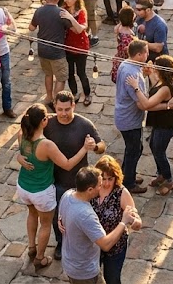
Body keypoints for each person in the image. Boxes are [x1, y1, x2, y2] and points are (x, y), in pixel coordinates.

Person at [18, 104, 96, 271]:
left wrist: (18, 157)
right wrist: (84, 149)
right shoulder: (46, 145)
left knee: (32, 214)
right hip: (41, 190)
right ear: (44, 121)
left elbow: (21, 152)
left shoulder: (22, 134)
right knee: (46, 224)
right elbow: (67, 165)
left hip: (24, 186)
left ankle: (32, 247)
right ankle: (40, 258)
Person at [39, 90, 106, 261]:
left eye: (67, 109)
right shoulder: (49, 123)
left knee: (81, 217)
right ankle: (61, 243)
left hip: (79, 183)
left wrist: (94, 147)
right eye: (60, 109)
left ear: (73, 106)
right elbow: (28, 132)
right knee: (57, 218)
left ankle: (82, 245)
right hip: (54, 180)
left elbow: (102, 146)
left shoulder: (84, 124)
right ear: (54, 106)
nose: (63, 113)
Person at [59, 166, 139, 284]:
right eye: (99, 185)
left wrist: (60, 220)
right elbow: (105, 245)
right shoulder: (86, 214)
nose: (102, 187)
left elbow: (62, 214)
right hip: (84, 271)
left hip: (71, 262)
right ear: (90, 190)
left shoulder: (68, 195)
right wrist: (123, 222)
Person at [89, 156, 145, 284]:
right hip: (94, 245)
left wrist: (136, 222)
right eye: (103, 178)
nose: (107, 183)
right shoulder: (92, 189)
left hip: (115, 246)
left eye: (110, 179)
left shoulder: (121, 193)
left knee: (112, 279)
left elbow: (133, 214)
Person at [114, 39, 151, 195]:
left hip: (124, 116)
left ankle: (128, 174)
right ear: (138, 55)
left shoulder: (126, 64)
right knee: (134, 150)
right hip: (130, 119)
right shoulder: (133, 74)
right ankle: (128, 183)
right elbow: (142, 103)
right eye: (146, 52)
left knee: (133, 149)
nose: (148, 54)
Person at [29, 0, 72, 108]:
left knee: (48, 74)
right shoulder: (61, 13)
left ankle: (49, 96)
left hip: (42, 49)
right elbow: (72, 28)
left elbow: (31, 28)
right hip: (57, 51)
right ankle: (56, 101)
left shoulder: (39, 11)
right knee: (61, 77)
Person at [144, 55, 173, 196]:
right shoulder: (161, 81)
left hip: (166, 124)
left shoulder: (166, 88)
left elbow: (149, 105)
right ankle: (161, 174)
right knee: (153, 145)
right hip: (158, 122)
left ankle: (169, 180)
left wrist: (138, 94)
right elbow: (154, 84)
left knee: (159, 151)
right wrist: (150, 74)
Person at [60, 0, 93, 105]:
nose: (67, 0)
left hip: (81, 46)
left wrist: (70, 18)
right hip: (68, 45)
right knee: (70, 73)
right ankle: (74, 93)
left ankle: (87, 93)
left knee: (81, 72)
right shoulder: (63, 10)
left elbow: (79, 29)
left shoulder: (81, 12)